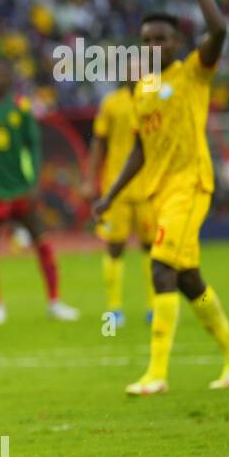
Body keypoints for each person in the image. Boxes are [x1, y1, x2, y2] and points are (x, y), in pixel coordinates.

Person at [92, 0, 229, 395]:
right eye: (146, 40)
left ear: (177, 42)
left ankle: (157, 373)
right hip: (159, 193)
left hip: (192, 184)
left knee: (160, 268)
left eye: (161, 39)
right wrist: (109, 196)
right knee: (187, 279)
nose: (153, 45)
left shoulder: (192, 74)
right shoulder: (141, 91)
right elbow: (139, 153)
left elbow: (220, 30)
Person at [0, 62, 79, 325]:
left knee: (42, 243)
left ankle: (55, 302)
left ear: (9, 79)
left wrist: (33, 179)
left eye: (2, 73)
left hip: (19, 188)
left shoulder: (22, 107)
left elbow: (33, 144)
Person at [85, 79, 154, 329]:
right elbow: (98, 142)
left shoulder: (155, 98)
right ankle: (114, 309)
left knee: (152, 247)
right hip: (116, 188)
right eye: (129, 67)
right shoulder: (111, 103)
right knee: (115, 246)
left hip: (149, 187)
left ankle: (153, 307)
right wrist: (89, 179)